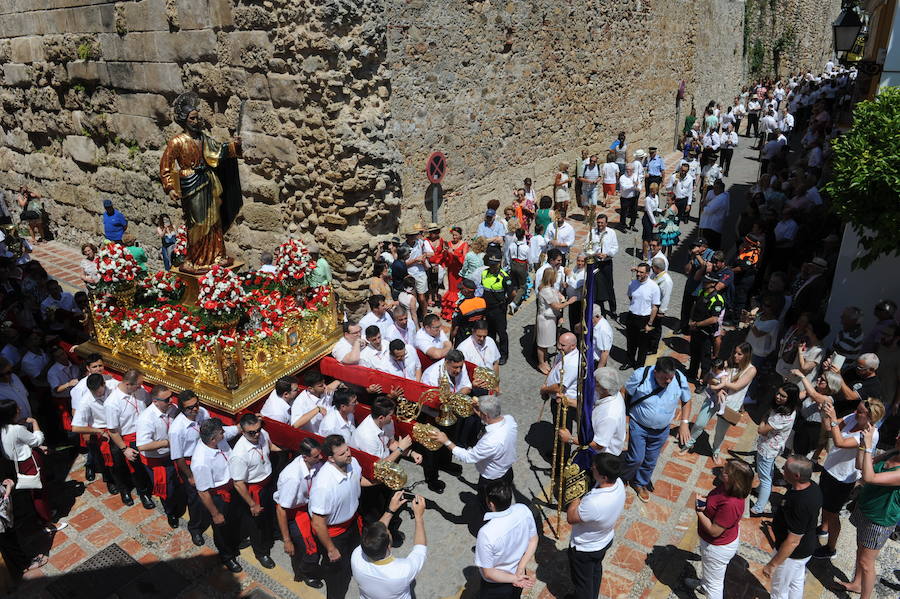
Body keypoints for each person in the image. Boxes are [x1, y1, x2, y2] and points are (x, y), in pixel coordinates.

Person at [812, 399, 884, 560]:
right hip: (830, 468)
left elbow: (839, 441)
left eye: (860, 412)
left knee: (833, 513)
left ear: (871, 417)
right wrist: (825, 414)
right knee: (825, 505)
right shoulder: (854, 417)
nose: (856, 413)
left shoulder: (870, 435)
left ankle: (830, 548)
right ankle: (823, 528)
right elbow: (829, 427)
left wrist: (833, 418)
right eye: (857, 409)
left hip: (843, 478)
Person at [835, 424, 900, 598]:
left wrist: (869, 446)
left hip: (879, 520)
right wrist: (863, 444)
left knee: (867, 563)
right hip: (865, 509)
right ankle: (856, 584)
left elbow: (870, 477)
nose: (897, 437)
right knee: (860, 550)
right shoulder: (892, 453)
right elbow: (861, 465)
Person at [309, 434, 373, 599]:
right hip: (335, 534)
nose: (348, 454)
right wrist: (331, 549)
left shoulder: (352, 463)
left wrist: (378, 482)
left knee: (354, 559)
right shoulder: (323, 486)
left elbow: (357, 480)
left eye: (348, 450)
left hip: (352, 525)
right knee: (337, 576)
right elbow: (317, 524)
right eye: (342, 453)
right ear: (330, 459)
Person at [170, 389, 233, 547]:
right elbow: (178, 456)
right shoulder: (177, 429)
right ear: (182, 409)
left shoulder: (203, 413)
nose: (195, 409)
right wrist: (190, 475)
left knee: (212, 497)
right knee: (197, 500)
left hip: (209, 456)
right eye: (190, 408)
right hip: (191, 464)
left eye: (196, 404)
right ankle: (195, 528)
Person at [622, 357, 691, 502]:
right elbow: (625, 391)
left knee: (650, 461)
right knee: (636, 458)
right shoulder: (641, 375)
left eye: (670, 378)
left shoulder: (679, 378)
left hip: (661, 430)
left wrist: (684, 423)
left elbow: (686, 400)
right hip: (639, 425)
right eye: (664, 378)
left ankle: (640, 483)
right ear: (655, 373)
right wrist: (622, 416)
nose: (668, 382)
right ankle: (624, 477)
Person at [430, 395, 517, 508]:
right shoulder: (509, 419)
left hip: (492, 480)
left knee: (487, 506)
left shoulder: (491, 441)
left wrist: (446, 441)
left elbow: (468, 457)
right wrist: (479, 411)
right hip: (507, 472)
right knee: (502, 503)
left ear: (486, 415)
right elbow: (489, 418)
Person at [685, 460, 754, 599]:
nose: (723, 471)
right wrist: (706, 506)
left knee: (715, 585)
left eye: (727, 472)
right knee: (709, 572)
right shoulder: (726, 487)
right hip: (715, 544)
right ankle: (704, 585)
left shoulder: (731, 504)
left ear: (736, 480)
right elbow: (716, 509)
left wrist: (699, 511)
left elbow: (714, 531)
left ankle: (708, 588)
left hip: (717, 547)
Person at [0, 399, 67, 533]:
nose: (19, 408)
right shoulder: (17, 429)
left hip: (16, 465)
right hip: (29, 464)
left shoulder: (3, 429)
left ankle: (43, 515)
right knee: (39, 494)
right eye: (16, 408)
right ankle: (47, 523)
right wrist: (34, 422)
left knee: (33, 493)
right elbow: (37, 440)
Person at [565, 452, 626, 599]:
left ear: (604, 477)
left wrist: (575, 493)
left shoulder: (594, 503)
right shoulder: (619, 483)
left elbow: (571, 517)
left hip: (585, 548)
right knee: (595, 571)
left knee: (582, 584)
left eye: (595, 468)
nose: (591, 468)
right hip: (604, 540)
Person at [762, 455, 822, 599]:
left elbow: (793, 541)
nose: (782, 470)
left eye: (785, 468)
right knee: (796, 582)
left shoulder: (801, 503)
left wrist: (773, 564)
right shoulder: (812, 487)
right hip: (805, 549)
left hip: (791, 556)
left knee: (779, 590)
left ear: (796, 475)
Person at [351, 492, 428, 599]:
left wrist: (390, 510)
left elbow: (376, 532)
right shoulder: (403, 571)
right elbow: (420, 549)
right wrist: (419, 517)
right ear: (388, 546)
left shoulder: (356, 556)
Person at [191, 418, 243, 573]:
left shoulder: (218, 439)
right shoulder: (201, 461)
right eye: (222, 432)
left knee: (234, 520)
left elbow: (234, 430)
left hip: (232, 488)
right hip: (219, 497)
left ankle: (234, 542)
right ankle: (227, 556)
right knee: (221, 528)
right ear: (213, 439)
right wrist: (215, 513)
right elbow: (203, 492)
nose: (224, 433)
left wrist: (244, 425)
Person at [274, 437, 324, 589]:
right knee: (311, 550)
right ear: (305, 457)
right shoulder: (293, 478)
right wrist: (287, 540)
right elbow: (281, 509)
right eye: (316, 456)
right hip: (295, 513)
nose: (321, 458)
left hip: (309, 506)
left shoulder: (314, 463)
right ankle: (304, 573)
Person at [230, 413, 278, 569]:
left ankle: (271, 534)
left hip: (268, 482)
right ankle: (261, 552)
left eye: (258, 429)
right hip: (254, 489)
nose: (257, 434)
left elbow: (269, 447)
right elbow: (238, 483)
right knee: (256, 524)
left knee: (269, 515)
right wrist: (252, 504)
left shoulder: (262, 434)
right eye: (252, 432)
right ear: (243, 432)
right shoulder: (240, 454)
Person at [474, 480, 537, 598]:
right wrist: (521, 568)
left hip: (497, 585)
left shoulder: (486, 533)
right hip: (519, 572)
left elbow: (489, 573)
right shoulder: (523, 510)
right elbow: (533, 540)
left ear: (491, 504)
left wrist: (515, 578)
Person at [105, 370, 155, 509]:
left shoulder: (139, 391)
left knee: (142, 468)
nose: (141, 387)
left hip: (144, 434)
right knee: (127, 468)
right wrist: (124, 448)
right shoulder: (112, 403)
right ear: (128, 384)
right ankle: (128, 491)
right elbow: (113, 431)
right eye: (138, 385)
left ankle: (145, 490)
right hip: (125, 438)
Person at [135, 385, 181, 528]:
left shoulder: (172, 408)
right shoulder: (146, 418)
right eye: (167, 399)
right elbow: (142, 445)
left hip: (172, 454)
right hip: (157, 459)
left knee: (176, 482)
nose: (171, 400)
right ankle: (170, 512)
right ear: (155, 401)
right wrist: (166, 443)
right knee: (166, 488)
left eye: (171, 396)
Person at [751, 385, 800, 516]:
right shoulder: (790, 410)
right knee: (768, 472)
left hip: (767, 449)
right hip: (774, 447)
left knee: (765, 478)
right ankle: (760, 489)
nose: (778, 397)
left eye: (783, 396)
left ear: (790, 399)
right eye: (778, 393)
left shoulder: (781, 417)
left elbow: (761, 430)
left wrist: (763, 418)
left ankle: (759, 507)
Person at [558, 367, 626, 455]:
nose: (592, 384)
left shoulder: (610, 415)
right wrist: (568, 401)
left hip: (600, 456)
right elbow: (590, 406)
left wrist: (570, 439)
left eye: (595, 383)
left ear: (605, 389)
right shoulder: (605, 393)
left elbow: (599, 445)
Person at [686, 276, 725, 383]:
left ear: (713, 283)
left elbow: (714, 319)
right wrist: (691, 320)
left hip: (706, 333)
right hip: (696, 330)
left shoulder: (717, 299)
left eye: (706, 281)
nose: (704, 283)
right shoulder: (702, 292)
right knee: (694, 353)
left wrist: (698, 324)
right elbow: (695, 306)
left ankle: (703, 381)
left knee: (705, 359)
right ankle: (692, 373)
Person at [622, 263, 660, 370]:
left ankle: (639, 366)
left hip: (644, 318)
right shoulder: (632, 283)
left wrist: (650, 323)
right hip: (632, 316)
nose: (638, 274)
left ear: (647, 273)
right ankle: (629, 361)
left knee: (643, 345)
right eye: (637, 271)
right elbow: (630, 296)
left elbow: (655, 307)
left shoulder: (653, 287)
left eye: (641, 272)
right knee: (630, 342)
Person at [536, 268, 572, 374]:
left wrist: (559, 295)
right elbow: (556, 306)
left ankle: (545, 360)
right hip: (545, 320)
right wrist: (569, 302)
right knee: (542, 343)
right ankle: (541, 363)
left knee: (546, 343)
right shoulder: (546, 290)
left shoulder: (548, 288)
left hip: (550, 319)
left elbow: (555, 294)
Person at [481, 255, 513, 365]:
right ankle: (491, 352)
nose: (492, 267)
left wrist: (506, 302)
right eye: (491, 264)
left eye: (495, 264)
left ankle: (504, 354)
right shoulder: (485, 273)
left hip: (499, 309)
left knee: (501, 332)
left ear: (499, 264)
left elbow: (512, 293)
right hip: (487, 308)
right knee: (490, 332)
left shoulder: (505, 277)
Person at [441, 226, 469, 321]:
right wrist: (445, 252)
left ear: (460, 235)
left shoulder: (464, 244)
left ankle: (458, 309)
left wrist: (453, 253)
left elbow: (464, 259)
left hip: (459, 270)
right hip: (451, 270)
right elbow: (445, 258)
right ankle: (450, 311)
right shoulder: (449, 244)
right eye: (453, 235)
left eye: (456, 235)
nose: (454, 237)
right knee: (452, 289)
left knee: (459, 289)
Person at [699, 180, 729, 250]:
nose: (714, 190)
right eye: (714, 188)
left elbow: (709, 210)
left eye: (716, 188)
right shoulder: (713, 193)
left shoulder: (721, 199)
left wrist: (704, 206)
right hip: (710, 223)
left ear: (721, 189)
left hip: (713, 226)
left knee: (711, 245)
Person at [505, 228, 529, 314]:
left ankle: (512, 298)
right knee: (522, 286)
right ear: (523, 236)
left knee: (514, 283)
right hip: (521, 265)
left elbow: (507, 256)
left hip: (513, 264)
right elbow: (528, 259)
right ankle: (514, 303)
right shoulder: (526, 247)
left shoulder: (512, 245)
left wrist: (509, 264)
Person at [618, 163, 640, 231]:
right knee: (624, 212)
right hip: (625, 198)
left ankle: (632, 225)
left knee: (634, 212)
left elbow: (639, 184)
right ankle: (623, 226)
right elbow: (624, 187)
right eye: (627, 169)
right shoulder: (622, 177)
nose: (628, 171)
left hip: (633, 197)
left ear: (633, 170)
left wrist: (638, 187)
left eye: (630, 170)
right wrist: (633, 186)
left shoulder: (635, 176)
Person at [641, 182, 660, 260]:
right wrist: (654, 222)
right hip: (647, 218)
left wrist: (661, 210)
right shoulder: (647, 199)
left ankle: (645, 251)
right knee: (647, 237)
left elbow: (655, 208)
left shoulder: (656, 197)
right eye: (652, 190)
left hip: (652, 217)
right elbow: (649, 211)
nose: (653, 192)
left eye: (654, 190)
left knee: (648, 236)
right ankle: (645, 255)